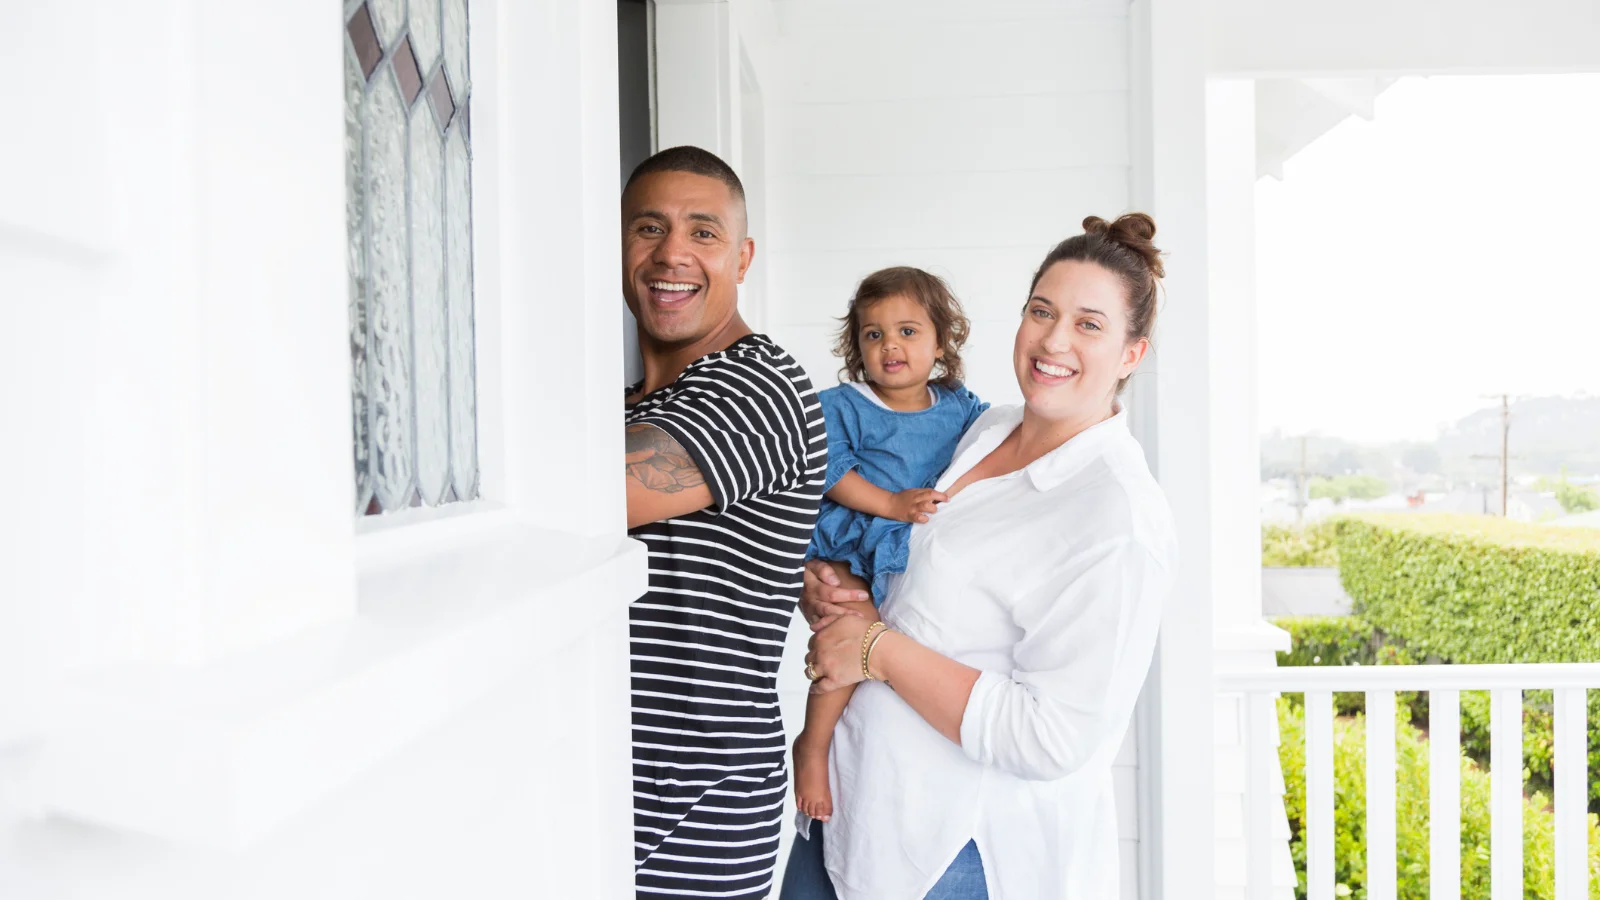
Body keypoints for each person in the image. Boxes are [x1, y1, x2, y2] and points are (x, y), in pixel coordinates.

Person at [779, 214, 1178, 900]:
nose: (1053, 340)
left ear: (1132, 354)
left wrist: (876, 648)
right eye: (1041, 311)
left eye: (1089, 324)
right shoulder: (984, 425)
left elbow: (1051, 738)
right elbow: (907, 572)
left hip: (952, 854)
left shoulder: (1117, 517)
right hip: (854, 807)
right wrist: (830, 586)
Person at [622, 146, 827, 899]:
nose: (671, 252)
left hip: (691, 817)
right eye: (648, 227)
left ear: (742, 258)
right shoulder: (624, 409)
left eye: (702, 232)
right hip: (608, 796)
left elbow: (607, 493)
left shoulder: (757, 383)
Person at [792, 267, 987, 824]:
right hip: (851, 536)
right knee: (854, 625)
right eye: (873, 334)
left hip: (908, 541)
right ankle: (814, 742)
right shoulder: (843, 403)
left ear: (941, 341)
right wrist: (892, 504)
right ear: (855, 346)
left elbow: (994, 443)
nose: (890, 346)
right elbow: (831, 472)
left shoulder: (958, 404)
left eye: (907, 331)